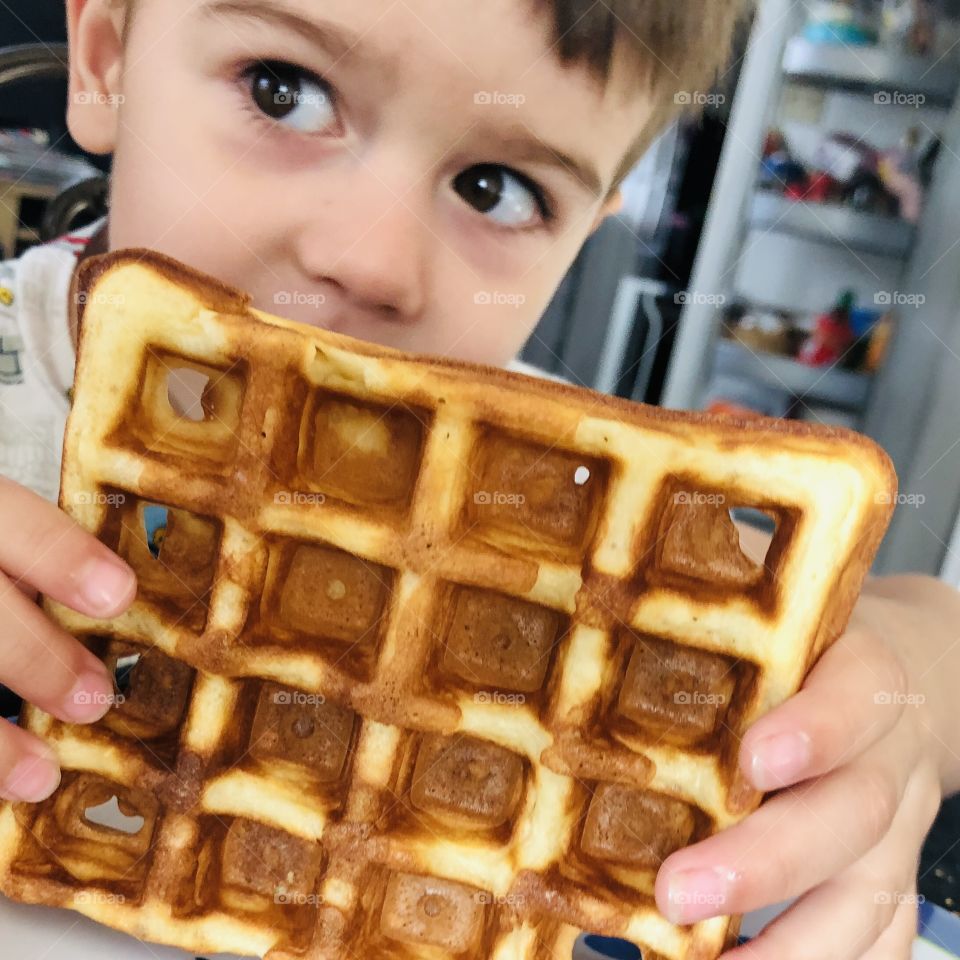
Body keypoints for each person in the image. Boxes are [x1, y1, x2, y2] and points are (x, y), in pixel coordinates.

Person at [0, 2, 953, 958]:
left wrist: (896, 691)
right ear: (106, 56)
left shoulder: (574, 505)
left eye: (496, 188)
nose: (370, 262)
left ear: (585, 232)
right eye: (282, 92)